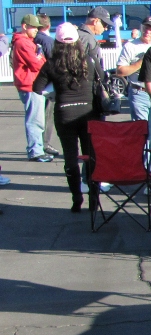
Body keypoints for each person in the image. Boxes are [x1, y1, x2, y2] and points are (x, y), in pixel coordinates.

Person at [32, 23, 103, 212]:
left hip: (64, 113)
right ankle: (94, 199)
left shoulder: (52, 63)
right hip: (88, 113)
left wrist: (55, 90)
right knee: (91, 157)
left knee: (70, 157)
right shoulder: (89, 60)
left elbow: (37, 88)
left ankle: (76, 198)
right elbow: (101, 80)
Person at [11, 15, 51, 162]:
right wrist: (40, 58)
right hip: (29, 85)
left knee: (36, 118)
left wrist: (40, 58)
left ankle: (37, 149)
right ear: (25, 26)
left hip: (29, 84)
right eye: (33, 27)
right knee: (35, 120)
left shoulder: (26, 42)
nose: (36, 30)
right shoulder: (23, 43)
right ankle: (36, 151)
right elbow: (37, 64)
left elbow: (40, 61)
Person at [116, 17, 151, 129]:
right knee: (142, 130)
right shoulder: (130, 46)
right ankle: (143, 147)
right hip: (139, 92)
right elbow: (120, 71)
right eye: (145, 28)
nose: (147, 32)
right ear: (141, 28)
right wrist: (141, 63)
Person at [34, 14, 61, 158]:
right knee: (47, 115)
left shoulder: (31, 39)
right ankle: (45, 144)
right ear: (49, 26)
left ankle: (37, 144)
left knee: (35, 117)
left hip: (33, 82)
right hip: (47, 84)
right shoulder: (48, 41)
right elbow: (53, 63)